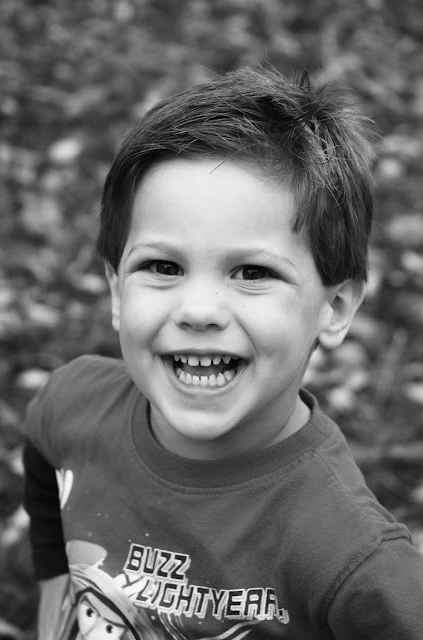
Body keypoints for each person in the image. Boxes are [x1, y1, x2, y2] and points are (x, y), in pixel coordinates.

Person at [23, 65, 423, 640]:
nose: (199, 309)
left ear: (334, 308)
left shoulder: (353, 559)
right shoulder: (71, 404)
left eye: (252, 272)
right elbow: (43, 457)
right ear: (116, 291)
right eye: (163, 266)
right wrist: (53, 599)